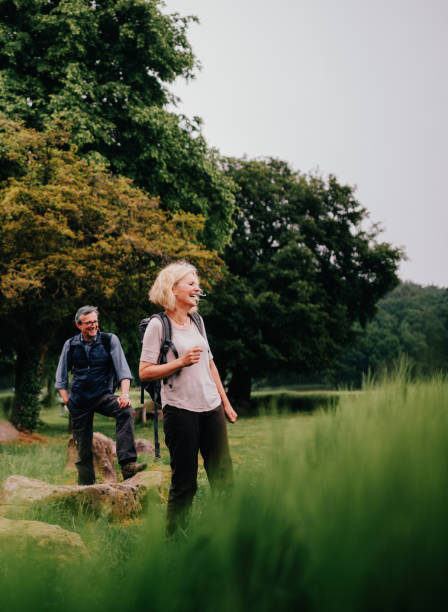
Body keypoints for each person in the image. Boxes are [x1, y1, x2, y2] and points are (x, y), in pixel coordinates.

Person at [139, 261, 237, 535]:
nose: (197, 287)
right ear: (172, 288)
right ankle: (175, 539)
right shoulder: (158, 326)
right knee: (185, 482)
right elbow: (145, 372)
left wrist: (226, 404)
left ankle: (230, 533)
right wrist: (179, 362)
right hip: (180, 411)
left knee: (224, 477)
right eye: (190, 282)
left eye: (197, 283)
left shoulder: (197, 321)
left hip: (211, 408)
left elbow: (210, 364)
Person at [55, 305, 147, 484]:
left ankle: (128, 465)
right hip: (79, 400)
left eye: (95, 322)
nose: (93, 326)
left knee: (125, 410)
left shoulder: (109, 340)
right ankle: (87, 488)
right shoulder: (71, 344)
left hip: (102, 396)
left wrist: (125, 395)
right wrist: (67, 399)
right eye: (88, 323)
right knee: (83, 449)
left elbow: (123, 371)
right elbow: (61, 375)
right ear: (78, 325)